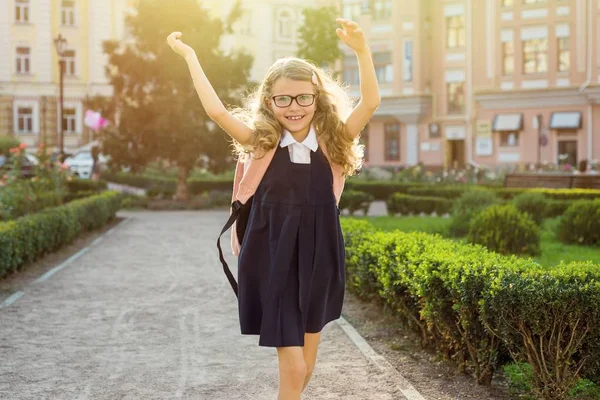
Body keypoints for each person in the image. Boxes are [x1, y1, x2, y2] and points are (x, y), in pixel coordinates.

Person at [167, 17, 380, 400]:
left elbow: (370, 103)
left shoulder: (333, 142)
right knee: (295, 366)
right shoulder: (261, 142)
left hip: (320, 256)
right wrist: (190, 57)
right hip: (271, 256)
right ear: (269, 101)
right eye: (283, 98)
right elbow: (217, 111)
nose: (294, 107)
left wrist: (362, 51)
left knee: (307, 368)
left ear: (317, 98)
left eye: (303, 97)